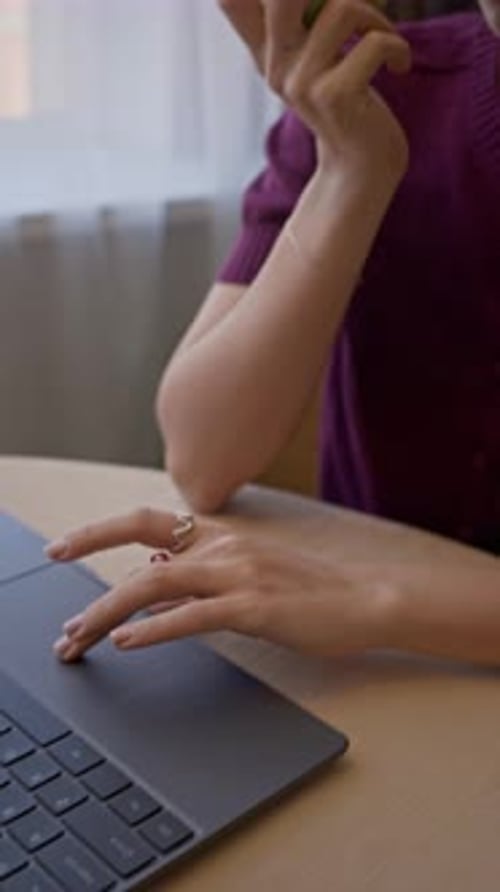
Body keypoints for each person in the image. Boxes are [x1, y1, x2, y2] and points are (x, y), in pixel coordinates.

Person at [47, 0, 500, 667]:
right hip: (388, 664)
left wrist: (378, 599)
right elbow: (205, 456)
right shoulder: (383, 88)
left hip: (385, 630)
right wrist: (349, 173)